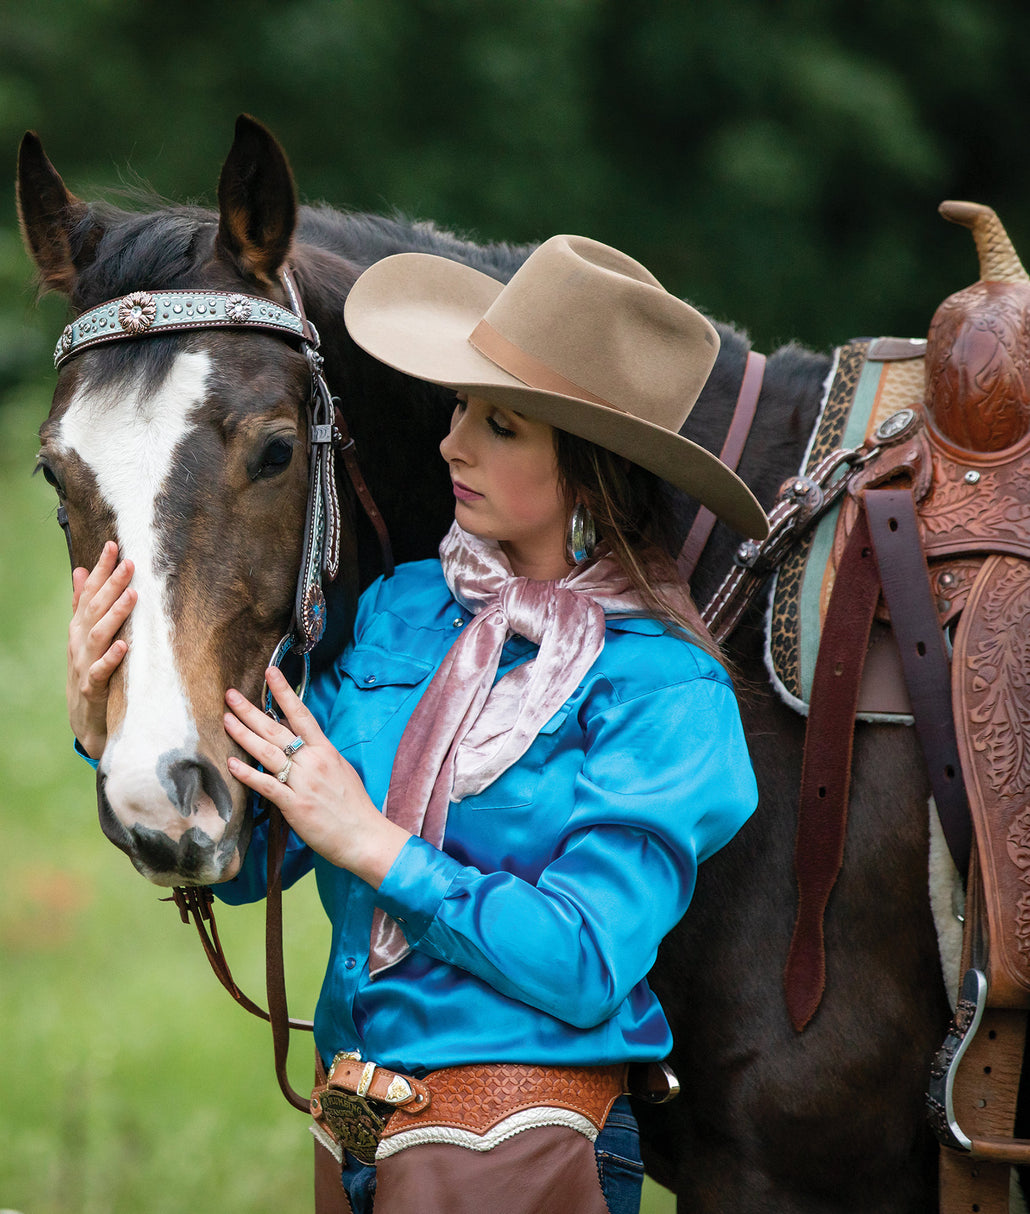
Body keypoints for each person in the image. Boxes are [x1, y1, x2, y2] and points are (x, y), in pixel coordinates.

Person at [66, 235, 767, 1214]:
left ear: (591, 468)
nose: (452, 444)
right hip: (350, 1123)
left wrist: (379, 846)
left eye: (503, 424)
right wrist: (110, 729)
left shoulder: (660, 688)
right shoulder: (402, 610)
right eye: (460, 410)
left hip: (516, 1138)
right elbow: (254, 859)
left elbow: (583, 963)